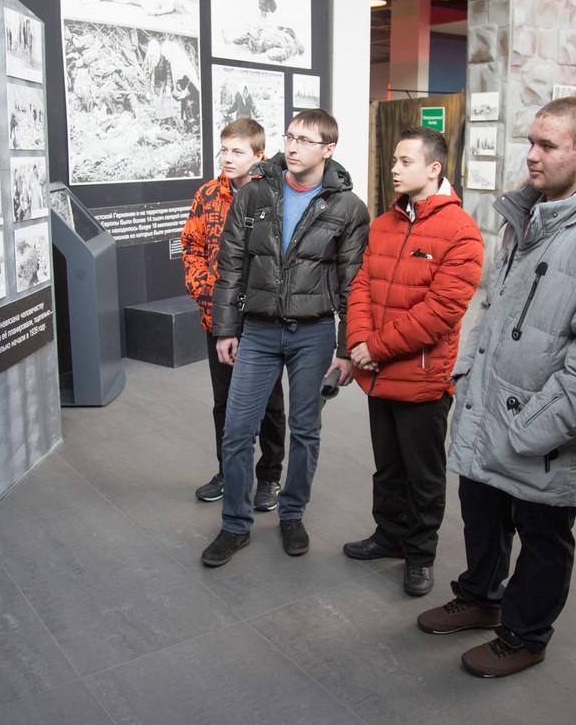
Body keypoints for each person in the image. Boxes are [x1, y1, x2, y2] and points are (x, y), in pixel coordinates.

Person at [416, 96, 576, 677]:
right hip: (491, 407)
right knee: (482, 512)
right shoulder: (526, 219)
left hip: (544, 432)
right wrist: (466, 376)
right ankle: (481, 596)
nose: (532, 155)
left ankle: (525, 635)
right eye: (531, 142)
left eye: (548, 145)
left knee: (543, 536)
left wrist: (527, 431)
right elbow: (492, 309)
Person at [201, 108, 370, 567]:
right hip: (257, 330)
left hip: (313, 332)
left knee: (305, 429)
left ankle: (292, 514)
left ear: (328, 149)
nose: (292, 147)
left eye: (305, 140)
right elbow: (231, 264)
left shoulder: (348, 208)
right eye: (290, 137)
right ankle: (235, 524)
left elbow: (354, 284)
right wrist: (225, 329)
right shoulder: (255, 192)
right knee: (238, 429)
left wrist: (346, 348)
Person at [342, 126, 483, 597]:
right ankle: (389, 535)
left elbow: (440, 313)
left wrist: (374, 348)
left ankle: (419, 555)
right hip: (378, 374)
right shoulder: (384, 224)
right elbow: (362, 285)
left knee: (423, 476)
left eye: (405, 161)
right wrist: (358, 341)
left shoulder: (461, 231)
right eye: (394, 161)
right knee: (387, 467)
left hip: (422, 379)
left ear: (434, 168)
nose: (395, 169)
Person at [181, 118, 286, 511]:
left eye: (237, 151)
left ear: (258, 155)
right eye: (224, 150)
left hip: (261, 318)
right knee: (224, 402)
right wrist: (204, 290)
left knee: (269, 404)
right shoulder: (208, 194)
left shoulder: (274, 196)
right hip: (218, 315)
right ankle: (228, 472)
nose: (227, 158)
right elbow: (191, 245)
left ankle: (270, 476)